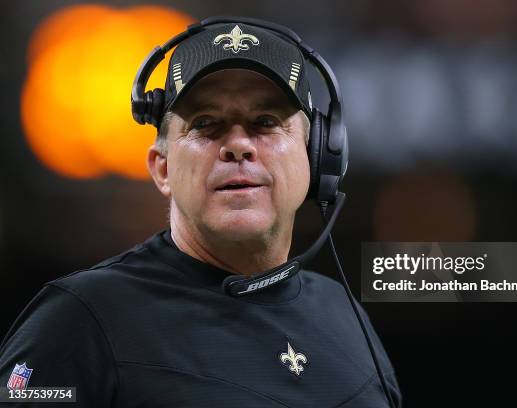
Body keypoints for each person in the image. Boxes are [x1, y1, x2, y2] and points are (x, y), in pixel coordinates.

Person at [0, 18, 402, 407]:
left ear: (317, 157)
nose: (239, 145)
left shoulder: (345, 315)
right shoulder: (79, 321)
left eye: (265, 122)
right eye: (206, 124)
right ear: (162, 168)